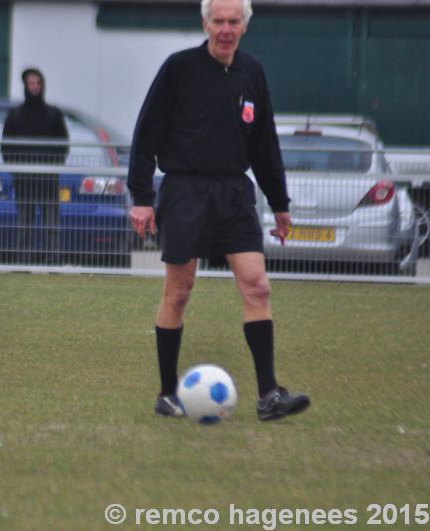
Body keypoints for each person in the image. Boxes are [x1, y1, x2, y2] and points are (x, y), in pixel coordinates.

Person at [127, 0, 310, 421]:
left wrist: (279, 203)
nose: (226, 29)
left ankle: (269, 396)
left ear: (244, 27)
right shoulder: (179, 68)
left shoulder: (253, 72)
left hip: (234, 194)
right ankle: (167, 393)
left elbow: (265, 143)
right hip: (185, 191)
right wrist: (140, 197)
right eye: (218, 21)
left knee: (257, 285)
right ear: (205, 24)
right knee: (179, 290)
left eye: (234, 22)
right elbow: (146, 132)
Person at [1, 68, 69, 264]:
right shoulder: (15, 115)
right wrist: (16, 169)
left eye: (38, 83)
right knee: (24, 222)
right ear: (25, 85)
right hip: (23, 179)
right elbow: (6, 147)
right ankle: (23, 260)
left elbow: (63, 144)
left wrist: (53, 167)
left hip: (48, 179)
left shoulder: (54, 114)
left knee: (51, 223)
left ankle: (53, 260)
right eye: (31, 83)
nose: (35, 87)